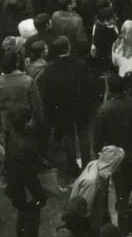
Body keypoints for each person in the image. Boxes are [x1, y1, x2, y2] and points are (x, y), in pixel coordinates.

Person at [37, 36, 102, 175]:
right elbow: (91, 85)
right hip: (81, 106)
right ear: (68, 47)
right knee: (84, 134)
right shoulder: (81, 64)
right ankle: (86, 164)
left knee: (68, 135)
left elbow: (46, 92)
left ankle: (72, 165)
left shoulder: (49, 69)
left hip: (62, 108)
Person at [94, 74, 132, 233]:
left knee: (122, 199)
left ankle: (125, 233)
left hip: (116, 161)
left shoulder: (104, 110)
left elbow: (97, 141)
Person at [5, 107, 50, 237]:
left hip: (15, 187)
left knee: (22, 216)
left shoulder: (15, 135)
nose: (33, 121)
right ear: (26, 123)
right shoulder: (24, 145)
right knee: (32, 218)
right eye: (30, 119)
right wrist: (40, 195)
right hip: (25, 190)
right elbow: (30, 177)